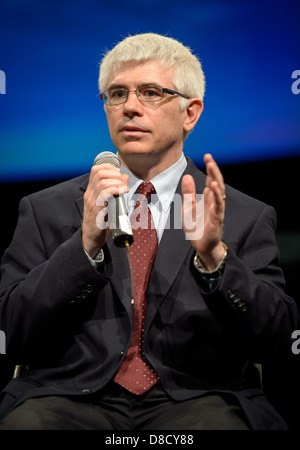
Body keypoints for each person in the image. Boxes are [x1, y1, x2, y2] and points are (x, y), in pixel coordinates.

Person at [0, 32, 298, 430]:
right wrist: (84, 247)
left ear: (190, 112)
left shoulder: (244, 214)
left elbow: (281, 341)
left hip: (198, 399)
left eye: (151, 93)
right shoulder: (45, 209)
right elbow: (11, 335)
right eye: (117, 94)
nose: (130, 108)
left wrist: (216, 259)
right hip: (69, 399)